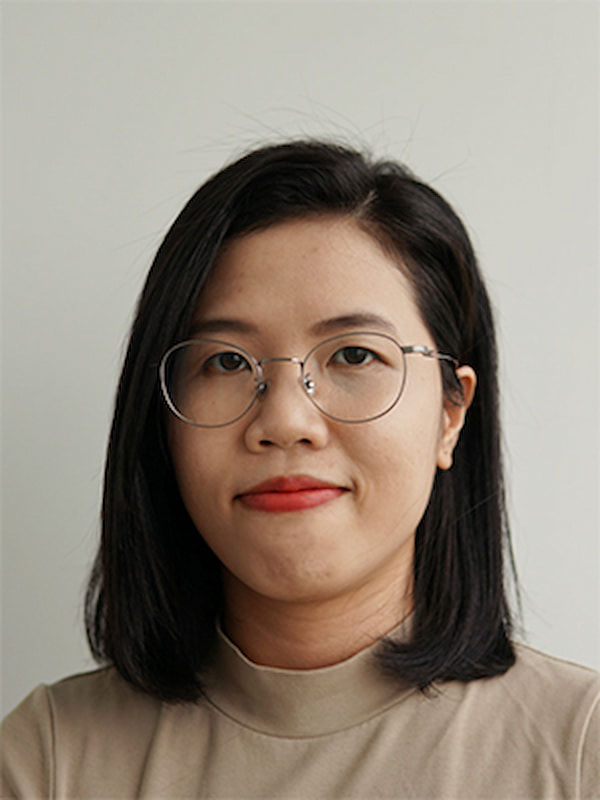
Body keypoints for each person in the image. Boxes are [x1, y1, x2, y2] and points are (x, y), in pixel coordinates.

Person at [2, 141, 598, 799]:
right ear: (162, 421)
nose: (285, 420)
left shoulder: (578, 752)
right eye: (226, 362)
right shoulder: (47, 759)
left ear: (451, 413)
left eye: (353, 355)